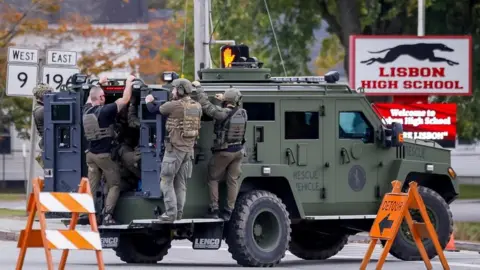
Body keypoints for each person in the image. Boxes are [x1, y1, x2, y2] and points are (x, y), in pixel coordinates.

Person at [145, 78, 202, 222]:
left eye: (174, 89)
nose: (172, 91)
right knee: (181, 183)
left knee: (166, 180)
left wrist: (148, 99)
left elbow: (154, 109)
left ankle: (170, 214)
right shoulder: (197, 106)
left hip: (175, 150)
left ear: (181, 90)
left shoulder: (175, 105)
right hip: (188, 151)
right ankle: (178, 213)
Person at [82, 74, 136, 225]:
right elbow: (124, 100)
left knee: (92, 186)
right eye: (103, 96)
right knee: (114, 184)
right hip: (103, 156)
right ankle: (107, 216)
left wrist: (99, 83)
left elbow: (89, 97)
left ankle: (88, 214)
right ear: (100, 97)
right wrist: (128, 83)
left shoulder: (85, 111)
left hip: (90, 156)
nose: (105, 98)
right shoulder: (106, 111)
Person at [192, 81, 247, 220]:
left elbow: (207, 107)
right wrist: (224, 99)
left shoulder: (223, 113)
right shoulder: (242, 112)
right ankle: (229, 210)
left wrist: (199, 88)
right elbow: (230, 107)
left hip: (225, 151)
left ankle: (214, 209)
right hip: (239, 151)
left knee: (213, 178)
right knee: (232, 180)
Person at [32, 83, 53, 168]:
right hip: (49, 146)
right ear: (43, 95)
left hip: (48, 144)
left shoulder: (41, 108)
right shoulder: (41, 110)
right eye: (49, 93)